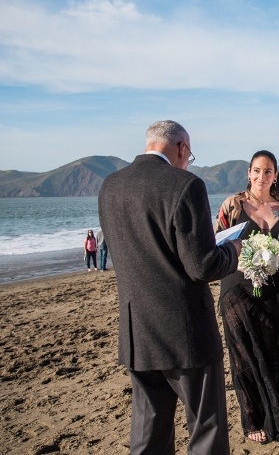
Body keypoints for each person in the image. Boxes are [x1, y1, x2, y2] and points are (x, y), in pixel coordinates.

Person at [98, 120, 241, 454]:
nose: (187, 162)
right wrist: (232, 251)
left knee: (148, 434)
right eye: (189, 156)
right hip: (186, 332)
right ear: (181, 148)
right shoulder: (186, 185)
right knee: (206, 429)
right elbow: (202, 265)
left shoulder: (110, 186)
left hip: (137, 332)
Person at [213, 150, 279, 445]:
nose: (261, 177)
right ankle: (253, 419)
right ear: (248, 173)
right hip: (236, 291)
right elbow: (214, 247)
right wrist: (240, 261)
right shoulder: (232, 206)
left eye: (268, 171)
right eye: (256, 171)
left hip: (274, 290)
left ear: (275, 175)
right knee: (244, 357)